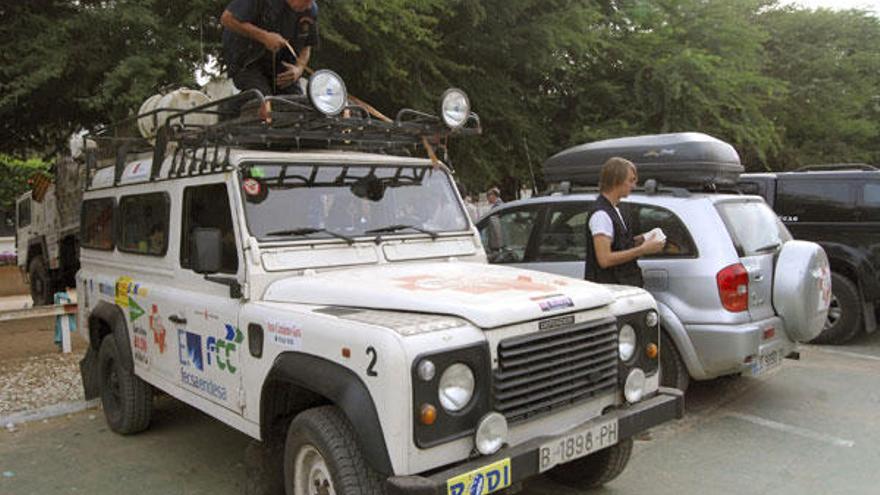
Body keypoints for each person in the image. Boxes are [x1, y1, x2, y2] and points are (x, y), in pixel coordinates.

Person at [585, 157, 665, 287]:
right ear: (617, 180)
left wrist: (643, 238)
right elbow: (604, 259)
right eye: (631, 180)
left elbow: (618, 244)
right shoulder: (601, 215)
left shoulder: (615, 209)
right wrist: (642, 250)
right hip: (610, 290)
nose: (634, 185)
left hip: (624, 287)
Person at [220, 0, 319, 97]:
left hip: (280, 65)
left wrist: (298, 69)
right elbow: (227, 18)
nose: (309, 6)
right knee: (265, 101)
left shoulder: (310, 11)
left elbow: (306, 46)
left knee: (299, 106)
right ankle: (231, 108)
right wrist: (264, 37)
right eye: (306, 1)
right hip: (247, 61)